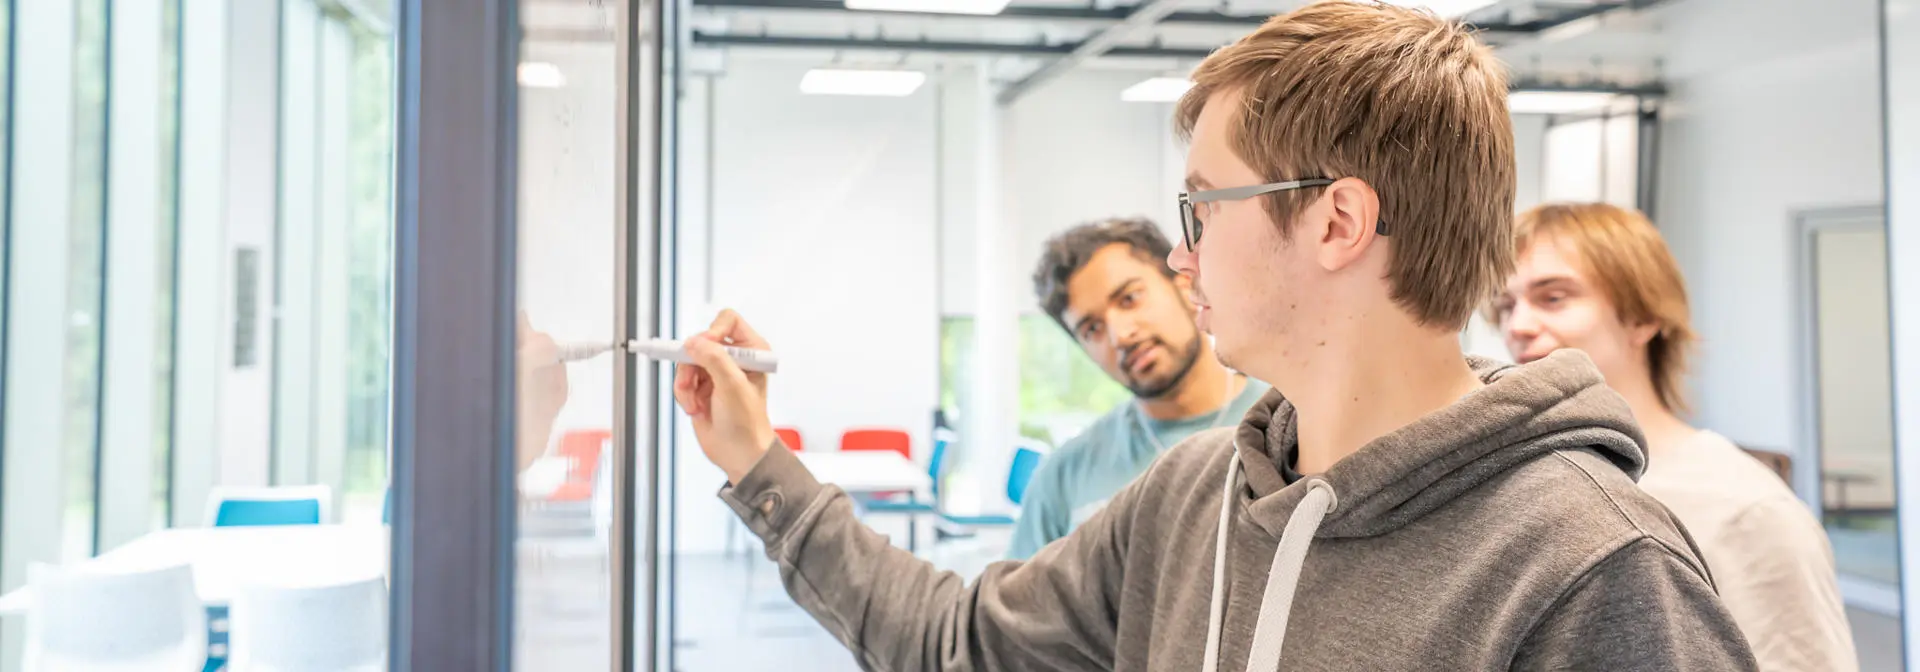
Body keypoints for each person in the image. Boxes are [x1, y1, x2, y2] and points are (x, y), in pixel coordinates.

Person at [671, 2, 1757, 669]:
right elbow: (958, 646)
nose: (1182, 256)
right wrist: (759, 466)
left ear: (1336, 220)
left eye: (1203, 208)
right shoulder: (1191, 500)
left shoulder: (1596, 568)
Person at [1490, 202, 1856, 671]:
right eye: (1505, 305)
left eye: (1553, 297)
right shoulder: (1528, 484)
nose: (1517, 326)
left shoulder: (1747, 511)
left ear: (1642, 316)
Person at [1010, 218, 1270, 559]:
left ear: (1186, 288)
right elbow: (1019, 609)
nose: (1120, 336)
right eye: (1092, 329)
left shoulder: (1290, 424)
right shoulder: (1063, 478)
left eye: (1130, 298)